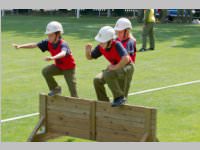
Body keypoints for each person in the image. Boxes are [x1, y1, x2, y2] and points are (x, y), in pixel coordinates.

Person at [12, 21, 78, 97]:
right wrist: (20, 46)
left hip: (69, 68)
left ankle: (78, 105)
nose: (49, 37)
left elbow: (63, 53)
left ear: (58, 34)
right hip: (59, 67)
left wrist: (53, 57)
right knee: (46, 71)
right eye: (48, 35)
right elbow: (34, 45)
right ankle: (55, 89)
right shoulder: (48, 42)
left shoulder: (63, 43)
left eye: (51, 35)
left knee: (73, 92)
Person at [85, 26, 134, 107]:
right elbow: (90, 57)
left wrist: (115, 67)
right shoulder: (101, 47)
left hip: (127, 67)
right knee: (97, 80)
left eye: (103, 41)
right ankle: (103, 103)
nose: (100, 43)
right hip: (116, 67)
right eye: (100, 41)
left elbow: (126, 58)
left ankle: (119, 98)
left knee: (108, 74)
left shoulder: (117, 44)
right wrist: (87, 51)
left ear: (110, 41)